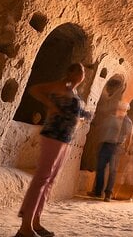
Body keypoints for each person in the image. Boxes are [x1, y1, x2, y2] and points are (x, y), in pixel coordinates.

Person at [15, 63, 92, 237]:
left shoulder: (74, 92)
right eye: (79, 70)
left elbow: (71, 113)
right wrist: (51, 104)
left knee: (49, 181)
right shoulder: (61, 85)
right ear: (70, 72)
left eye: (83, 71)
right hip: (53, 134)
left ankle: (36, 221)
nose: (82, 74)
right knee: (42, 178)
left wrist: (81, 117)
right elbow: (35, 90)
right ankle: (25, 226)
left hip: (65, 137)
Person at [88, 101, 133, 201]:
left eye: (123, 109)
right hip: (105, 145)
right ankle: (98, 192)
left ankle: (108, 193)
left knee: (113, 170)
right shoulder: (111, 118)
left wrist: (127, 148)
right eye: (119, 108)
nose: (120, 110)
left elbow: (130, 135)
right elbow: (102, 129)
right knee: (100, 168)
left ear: (126, 110)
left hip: (117, 147)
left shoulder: (127, 122)